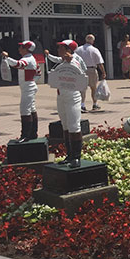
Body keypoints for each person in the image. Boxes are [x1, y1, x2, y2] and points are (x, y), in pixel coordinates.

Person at [46, 40, 87, 168]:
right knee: (65, 127)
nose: (58, 50)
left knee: (74, 126)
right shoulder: (62, 61)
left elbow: (81, 71)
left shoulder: (75, 59)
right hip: (61, 96)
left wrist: (71, 61)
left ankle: (76, 157)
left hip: (72, 96)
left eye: (61, 48)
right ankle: (69, 155)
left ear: (68, 49)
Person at [1, 41, 39, 142]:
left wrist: (7, 58)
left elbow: (18, 65)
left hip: (28, 87)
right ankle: (32, 133)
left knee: (24, 110)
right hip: (29, 86)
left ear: (26, 49)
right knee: (31, 109)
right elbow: (38, 72)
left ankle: (25, 135)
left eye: (21, 47)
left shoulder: (27, 59)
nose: (19, 49)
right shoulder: (32, 58)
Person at [75, 34, 106, 112]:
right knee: (93, 88)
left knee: (82, 89)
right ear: (93, 41)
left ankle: (82, 105)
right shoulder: (94, 50)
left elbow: (74, 61)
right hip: (92, 70)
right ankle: (95, 104)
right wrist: (103, 72)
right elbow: (99, 63)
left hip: (81, 70)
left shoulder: (78, 49)